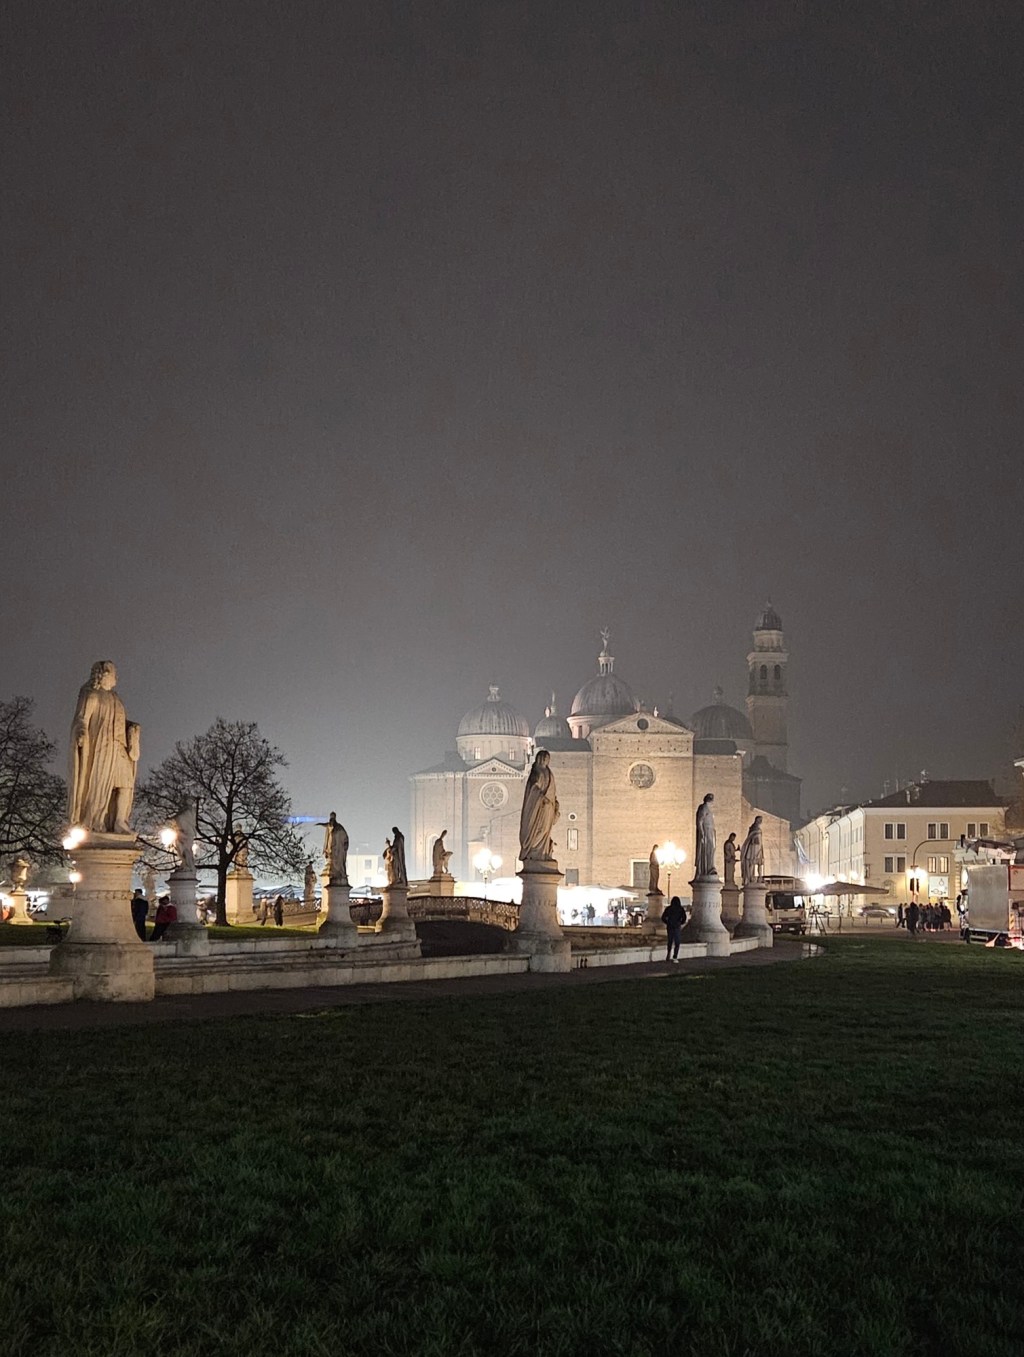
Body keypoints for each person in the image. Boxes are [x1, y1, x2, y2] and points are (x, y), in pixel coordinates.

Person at [68, 660, 140, 834]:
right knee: (99, 784)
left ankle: (120, 821)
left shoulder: (116, 698)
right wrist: (81, 732)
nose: (116, 677)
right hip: (102, 746)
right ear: (105, 674)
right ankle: (95, 821)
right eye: (114, 673)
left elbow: (119, 721)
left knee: (126, 783)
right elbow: (82, 719)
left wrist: (132, 729)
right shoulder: (92, 695)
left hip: (119, 746)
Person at [519, 750, 560, 861]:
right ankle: (534, 852)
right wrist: (542, 797)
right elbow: (533, 788)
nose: (546, 760)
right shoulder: (536, 772)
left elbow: (552, 790)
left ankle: (544, 853)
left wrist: (554, 802)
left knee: (546, 829)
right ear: (540, 758)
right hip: (538, 806)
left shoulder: (549, 772)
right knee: (539, 829)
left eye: (548, 758)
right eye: (544, 758)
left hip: (548, 806)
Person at [320, 812, 349, 885]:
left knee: (338, 862)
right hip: (331, 848)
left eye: (333, 817)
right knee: (332, 860)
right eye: (331, 817)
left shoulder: (339, 828)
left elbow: (345, 837)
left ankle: (339, 872)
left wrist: (345, 844)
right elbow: (327, 838)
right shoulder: (329, 827)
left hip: (338, 849)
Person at [694, 794, 716, 877]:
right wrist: (702, 834)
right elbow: (699, 822)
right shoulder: (703, 808)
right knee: (706, 850)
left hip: (710, 832)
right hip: (706, 832)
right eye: (711, 799)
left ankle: (710, 867)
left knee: (712, 849)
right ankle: (706, 869)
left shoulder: (709, 809)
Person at [740, 815, 764, 885]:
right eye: (760, 820)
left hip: (759, 848)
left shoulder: (758, 829)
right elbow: (750, 838)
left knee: (759, 863)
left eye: (761, 820)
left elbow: (760, 840)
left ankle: (759, 878)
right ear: (757, 820)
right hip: (753, 848)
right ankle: (750, 878)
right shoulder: (753, 828)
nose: (761, 821)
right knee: (751, 862)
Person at [662, 894, 686, 962]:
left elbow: (663, 917)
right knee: (677, 942)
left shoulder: (668, 909)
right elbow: (684, 918)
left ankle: (668, 952)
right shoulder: (681, 909)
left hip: (670, 926)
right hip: (677, 927)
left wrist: (667, 922)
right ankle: (675, 956)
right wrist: (680, 923)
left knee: (670, 941)